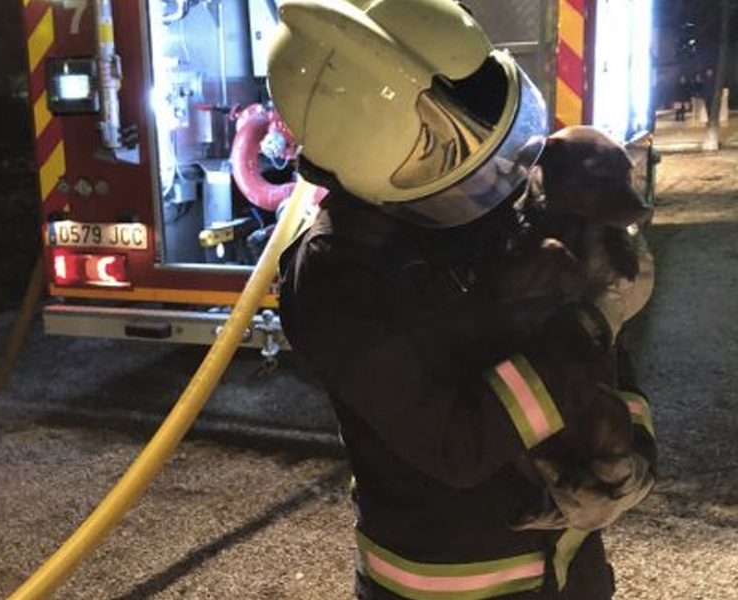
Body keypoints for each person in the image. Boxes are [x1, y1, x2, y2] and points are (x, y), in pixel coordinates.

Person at [268, 1, 657, 598]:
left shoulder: (466, 207)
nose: (499, 184)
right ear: (375, 148)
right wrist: (593, 321)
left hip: (571, 575)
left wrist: (630, 443)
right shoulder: (331, 275)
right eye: (458, 158)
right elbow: (460, 443)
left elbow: (598, 368)